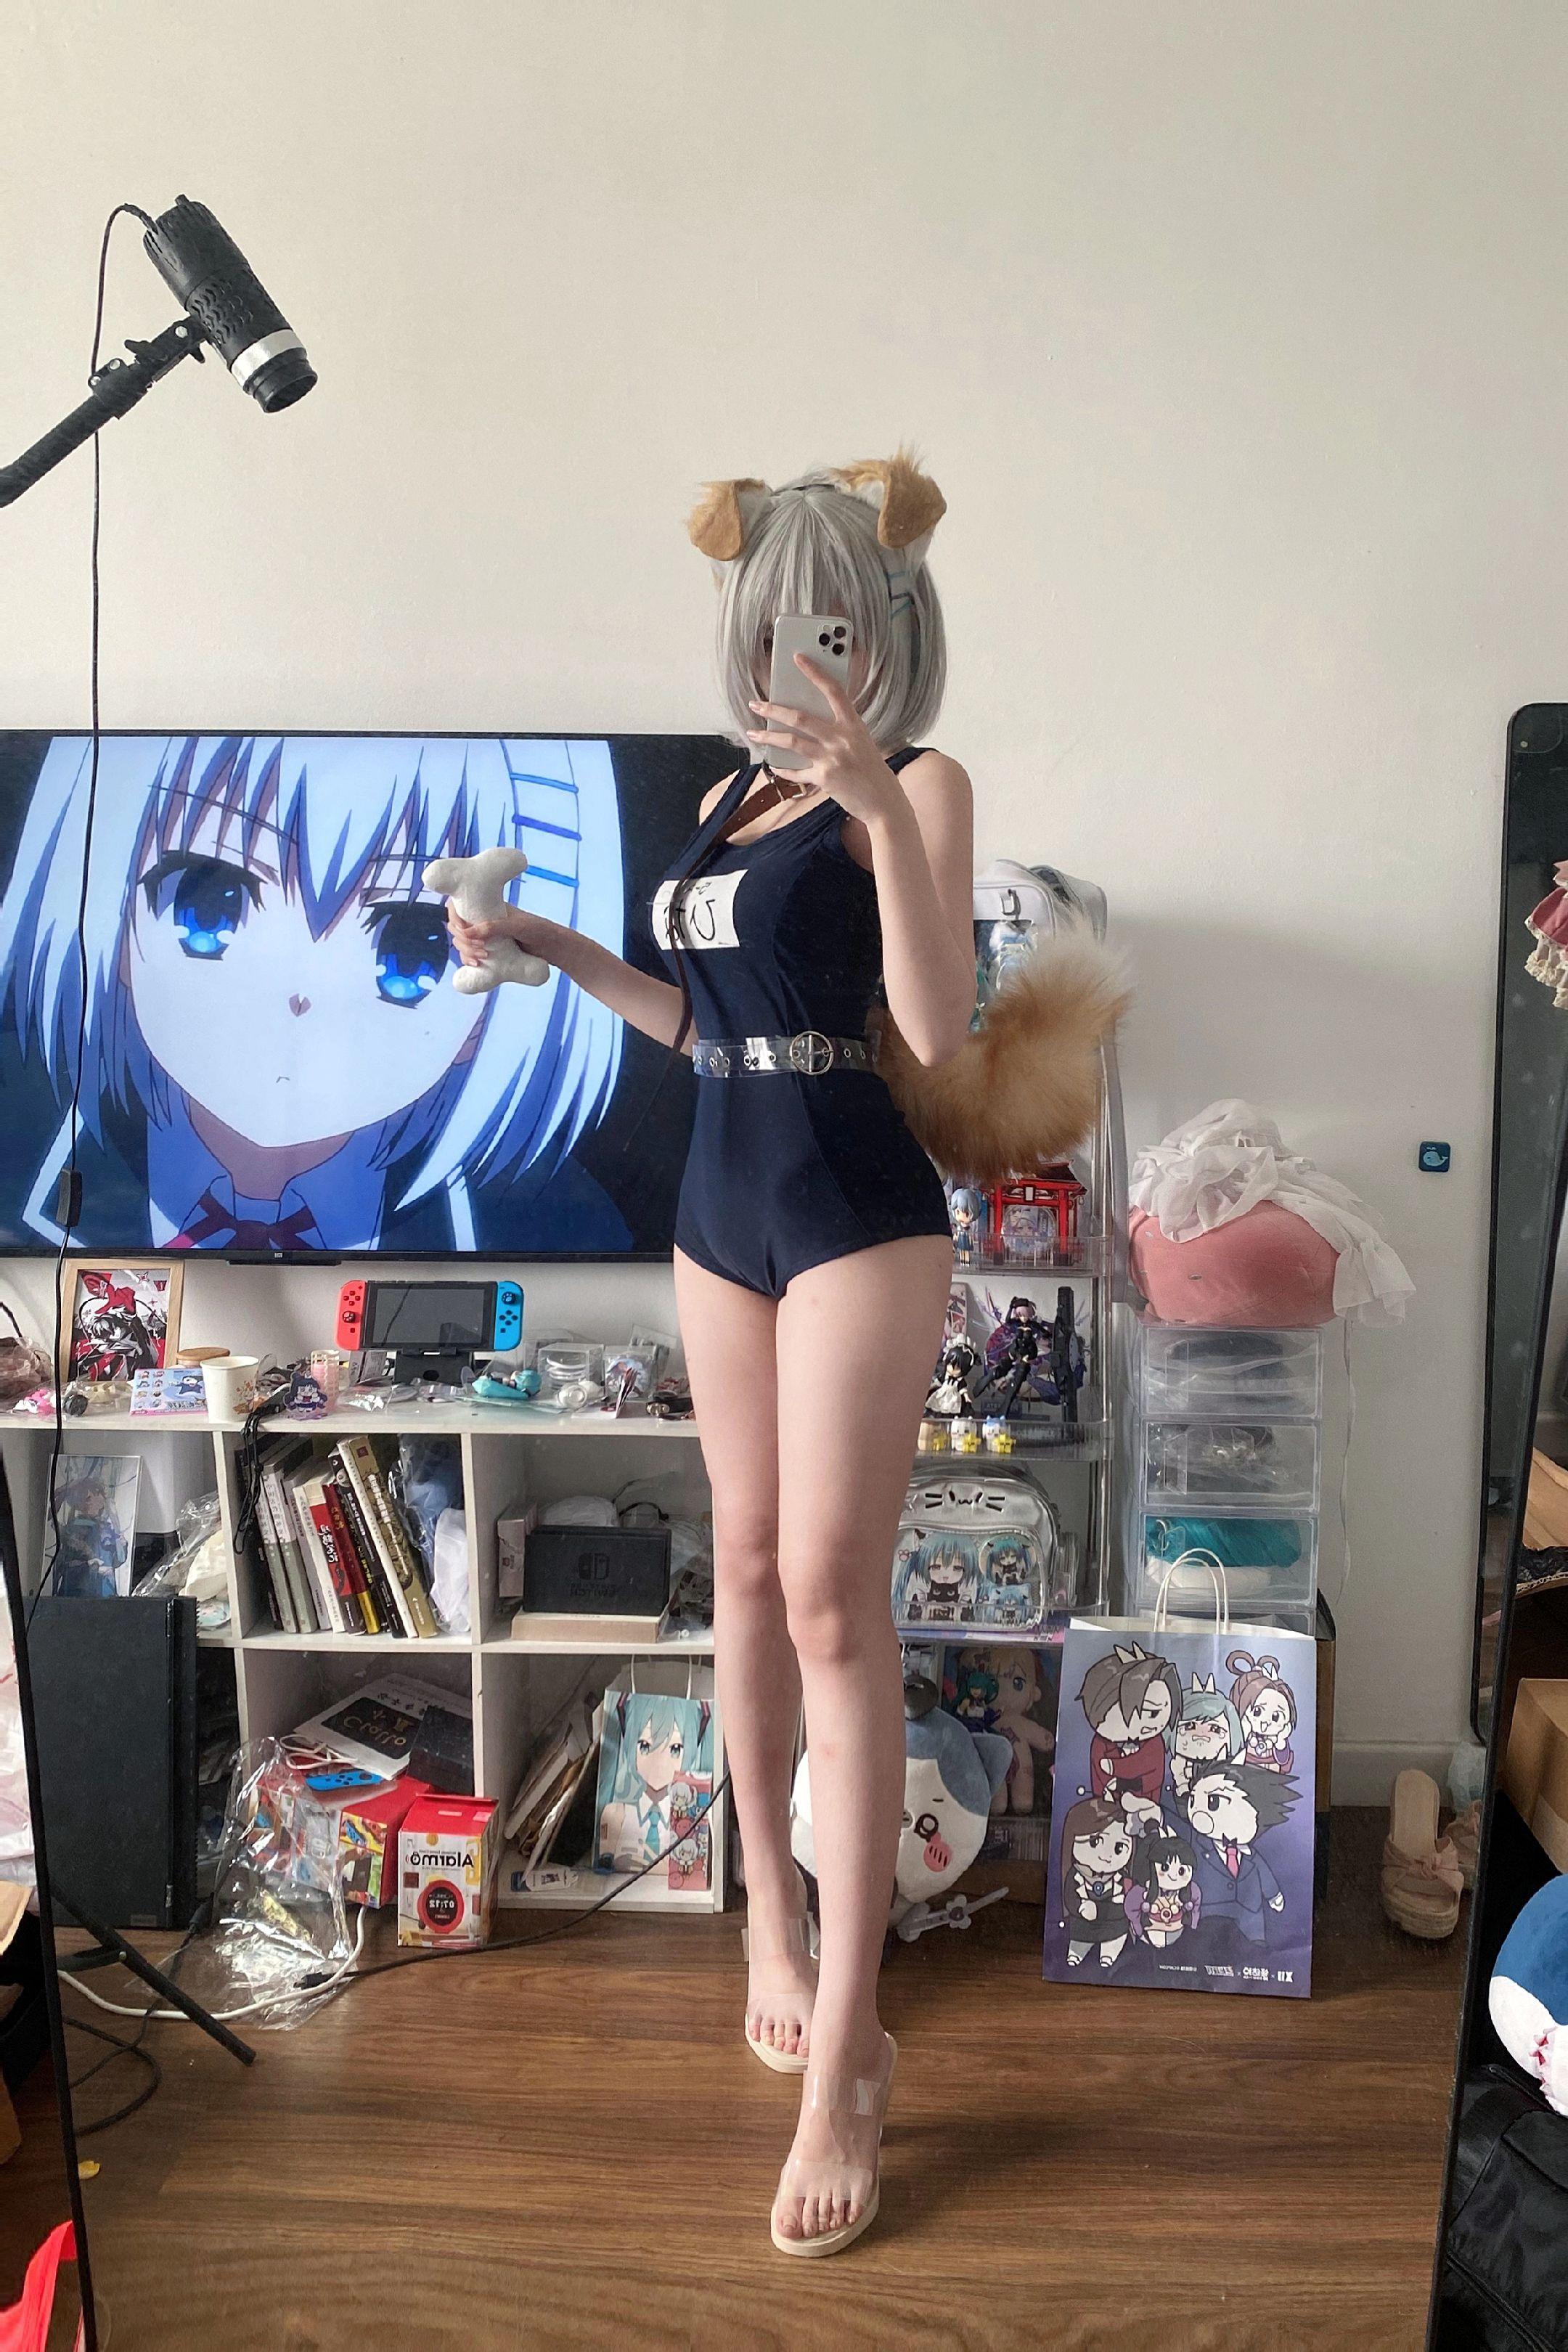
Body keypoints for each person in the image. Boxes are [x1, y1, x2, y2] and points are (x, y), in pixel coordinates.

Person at [446, 453, 975, 2256]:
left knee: (831, 1594)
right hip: (719, 1202)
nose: (797, 658)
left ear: (888, 625)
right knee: (738, 1572)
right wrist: (547, 945)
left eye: (833, 625)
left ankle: (853, 2055)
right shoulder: (725, 798)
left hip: (856, 1206)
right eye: (771, 627)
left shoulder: (916, 782)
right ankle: (775, 1925)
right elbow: (698, 1022)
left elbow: (934, 1028)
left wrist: (878, 802)